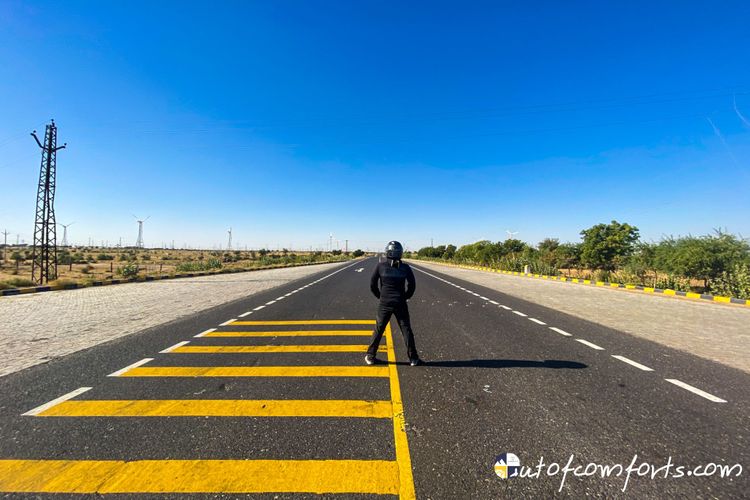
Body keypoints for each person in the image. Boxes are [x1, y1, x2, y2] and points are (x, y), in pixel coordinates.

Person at [366, 241, 422, 366]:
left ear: (388, 252)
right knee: (406, 329)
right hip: (400, 302)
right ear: (400, 253)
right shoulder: (405, 268)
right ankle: (413, 358)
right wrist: (405, 296)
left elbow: (372, 284)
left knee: (379, 329)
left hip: (385, 302)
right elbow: (412, 285)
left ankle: (370, 356)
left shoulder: (380, 266)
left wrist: (380, 296)